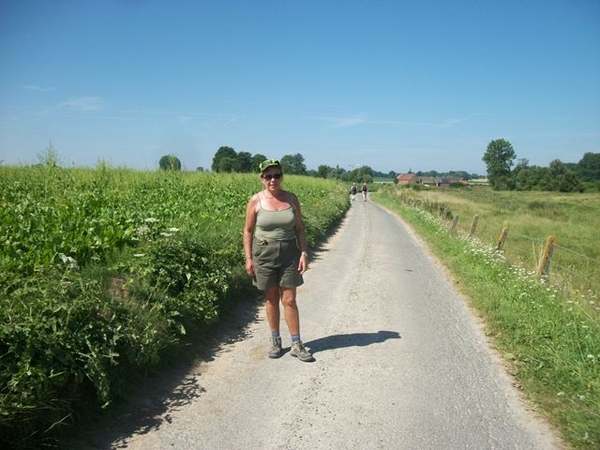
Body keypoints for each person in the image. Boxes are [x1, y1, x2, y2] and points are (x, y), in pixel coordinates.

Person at [243, 159, 314, 362]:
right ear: (262, 179)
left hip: (289, 253)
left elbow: (299, 229)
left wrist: (304, 253)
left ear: (282, 177)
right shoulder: (255, 201)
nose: (272, 180)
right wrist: (249, 258)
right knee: (271, 299)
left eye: (276, 175)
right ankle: (275, 340)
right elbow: (248, 231)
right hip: (264, 254)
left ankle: (296, 344)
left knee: (289, 299)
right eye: (268, 176)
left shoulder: (291, 199)